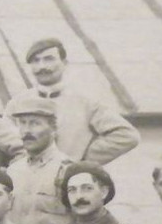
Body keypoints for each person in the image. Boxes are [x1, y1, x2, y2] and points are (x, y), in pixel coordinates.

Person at [23, 36, 140, 165]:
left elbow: (127, 136)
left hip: (69, 180)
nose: (42, 66)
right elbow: (4, 143)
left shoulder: (85, 102)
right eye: (35, 61)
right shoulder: (19, 104)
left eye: (49, 59)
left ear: (64, 63)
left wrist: (82, 159)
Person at [3, 93, 73, 224]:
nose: (27, 130)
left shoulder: (68, 170)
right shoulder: (13, 171)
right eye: (22, 123)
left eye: (35, 123)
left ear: (53, 128)